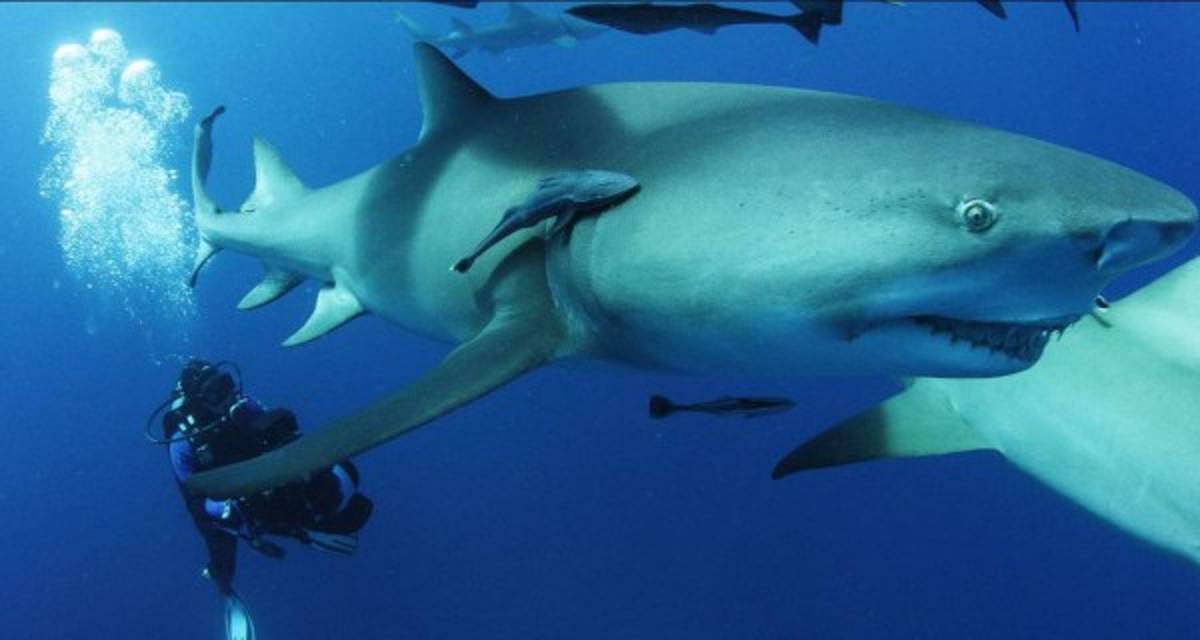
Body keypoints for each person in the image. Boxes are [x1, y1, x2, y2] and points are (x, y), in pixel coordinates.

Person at [152, 359, 373, 640]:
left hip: (262, 478)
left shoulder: (246, 407)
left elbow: (287, 445)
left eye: (226, 385)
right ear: (199, 402)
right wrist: (224, 510)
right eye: (215, 393)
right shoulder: (183, 441)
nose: (226, 396)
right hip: (223, 501)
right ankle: (225, 588)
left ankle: (307, 527)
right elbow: (194, 500)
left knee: (340, 489)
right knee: (222, 552)